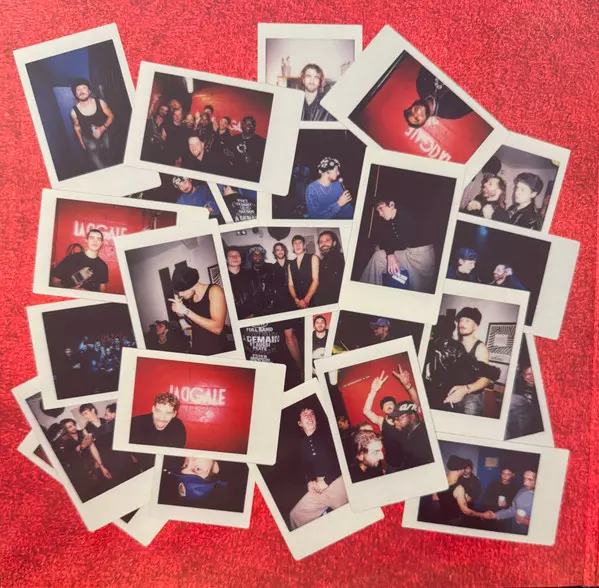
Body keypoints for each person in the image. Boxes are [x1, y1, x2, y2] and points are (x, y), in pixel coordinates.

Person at [288, 407, 348, 529]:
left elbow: (343, 461)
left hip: (337, 482)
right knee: (295, 515)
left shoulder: (328, 435)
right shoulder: (302, 444)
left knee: (349, 518)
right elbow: (308, 466)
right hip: (319, 488)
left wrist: (326, 481)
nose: (310, 417)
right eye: (305, 415)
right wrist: (310, 481)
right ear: (299, 423)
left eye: (312, 414)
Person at [360, 198, 436, 293]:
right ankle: (366, 290)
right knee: (378, 256)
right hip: (408, 253)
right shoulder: (392, 219)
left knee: (418, 291)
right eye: (378, 211)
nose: (380, 214)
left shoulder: (406, 215)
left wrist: (390, 255)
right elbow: (389, 239)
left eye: (381, 209)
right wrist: (386, 250)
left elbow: (400, 243)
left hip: (422, 258)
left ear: (391, 205)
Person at [362, 370, 420, 473]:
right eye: (386, 405)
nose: (389, 405)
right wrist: (373, 391)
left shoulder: (403, 418)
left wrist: (408, 385)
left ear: (396, 407)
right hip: (393, 465)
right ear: (383, 409)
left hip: (410, 462)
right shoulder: (381, 421)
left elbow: (416, 404)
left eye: (391, 404)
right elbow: (366, 411)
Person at [441, 307, 492, 415]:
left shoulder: (480, 347)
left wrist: (465, 389)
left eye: (467, 321)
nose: (462, 323)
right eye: (461, 320)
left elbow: (487, 378)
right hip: (452, 392)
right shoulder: (454, 345)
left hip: (472, 397)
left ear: (475, 326)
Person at [170, 265, 227, 355]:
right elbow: (195, 322)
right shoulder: (190, 298)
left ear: (191, 285)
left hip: (216, 350)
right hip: (198, 349)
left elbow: (218, 328)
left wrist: (186, 311)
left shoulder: (215, 291)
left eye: (182, 290)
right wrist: (181, 313)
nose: (180, 294)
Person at [241, 320, 303, 391]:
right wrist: (301, 366)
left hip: (251, 370)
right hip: (276, 369)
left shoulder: (240, 313)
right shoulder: (282, 312)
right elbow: (290, 339)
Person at [403, 67, 472, 128]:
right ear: (424, 121)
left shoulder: (420, 85)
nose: (415, 113)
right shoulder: (452, 112)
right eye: (417, 119)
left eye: (410, 112)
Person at [69, 78, 115, 169]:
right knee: (98, 162)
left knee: (109, 154)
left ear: (89, 91)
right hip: (89, 140)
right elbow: (77, 127)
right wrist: (81, 142)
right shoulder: (73, 112)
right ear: (75, 94)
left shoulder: (100, 103)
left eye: (84, 88)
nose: (81, 91)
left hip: (105, 135)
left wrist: (102, 128)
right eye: (78, 89)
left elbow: (111, 116)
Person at [435, 455, 488, 525]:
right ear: (459, 470)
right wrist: (483, 515)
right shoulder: (459, 488)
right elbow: (466, 511)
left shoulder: (439, 480)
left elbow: (435, 497)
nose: (464, 471)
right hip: (454, 520)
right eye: (463, 469)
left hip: (441, 518)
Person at [486, 470, 537, 534]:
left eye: (530, 479)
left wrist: (526, 522)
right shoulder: (523, 490)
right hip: (514, 530)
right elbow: (513, 510)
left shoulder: (546, 497)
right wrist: (495, 515)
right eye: (524, 478)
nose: (525, 483)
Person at [389, 401, 434, 470]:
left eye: (398, 418)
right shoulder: (410, 432)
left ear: (412, 417)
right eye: (394, 419)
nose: (395, 422)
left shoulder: (423, 437)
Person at [506, 362, 542, 439]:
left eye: (535, 374)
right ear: (523, 375)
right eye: (528, 374)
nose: (532, 377)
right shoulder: (518, 386)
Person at [313, 231, 345, 306]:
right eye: (321, 242)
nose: (324, 244)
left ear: (334, 243)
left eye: (327, 240)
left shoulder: (343, 259)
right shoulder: (321, 262)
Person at [231, 116, 266, 181]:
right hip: (233, 176)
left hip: (251, 178)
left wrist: (253, 162)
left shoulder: (262, 142)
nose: (248, 125)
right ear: (241, 125)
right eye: (246, 123)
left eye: (251, 123)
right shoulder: (233, 139)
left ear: (255, 126)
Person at [288, 235, 319, 309]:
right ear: (293, 247)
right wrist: (296, 299)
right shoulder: (290, 264)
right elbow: (290, 284)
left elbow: (316, 281)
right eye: (295, 243)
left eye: (300, 242)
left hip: (312, 299)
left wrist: (306, 300)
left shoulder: (313, 258)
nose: (297, 245)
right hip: (298, 302)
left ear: (304, 245)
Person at [226, 247, 255, 319]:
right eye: (231, 256)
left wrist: (253, 313)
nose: (235, 257)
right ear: (226, 259)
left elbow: (255, 295)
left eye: (237, 255)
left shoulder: (250, 275)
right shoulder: (222, 277)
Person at [247, 245, 273, 315]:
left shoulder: (271, 267)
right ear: (251, 257)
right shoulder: (248, 273)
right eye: (254, 255)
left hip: (271, 305)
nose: (257, 256)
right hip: (256, 308)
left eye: (259, 254)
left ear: (263, 256)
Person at [269, 243, 294, 313]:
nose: (280, 251)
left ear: (285, 251)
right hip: (279, 302)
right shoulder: (272, 268)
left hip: (293, 298)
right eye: (277, 250)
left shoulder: (292, 264)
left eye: (282, 249)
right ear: (274, 253)